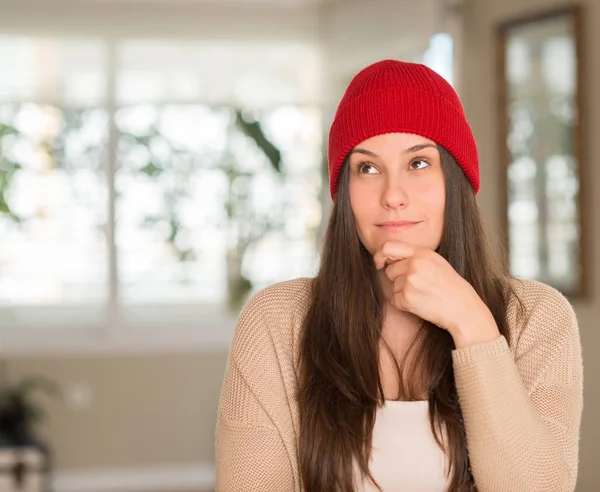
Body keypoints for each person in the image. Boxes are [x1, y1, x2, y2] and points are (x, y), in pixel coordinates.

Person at [214, 60, 583, 492]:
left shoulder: (535, 317)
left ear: (455, 180)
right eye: (367, 168)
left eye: (419, 163)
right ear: (343, 192)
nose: (393, 196)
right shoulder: (277, 322)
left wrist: (471, 324)